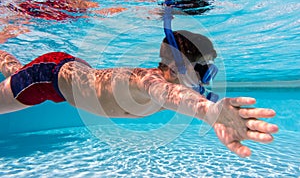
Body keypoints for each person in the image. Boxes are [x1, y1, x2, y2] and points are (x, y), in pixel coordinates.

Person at [0, 30, 278, 158]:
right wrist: (210, 112)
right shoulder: (150, 82)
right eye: (204, 69)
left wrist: (214, 108)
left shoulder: (180, 84)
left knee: (15, 71)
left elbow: (183, 97)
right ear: (176, 66)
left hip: (70, 72)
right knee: (17, 78)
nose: (208, 78)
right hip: (48, 78)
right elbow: (169, 95)